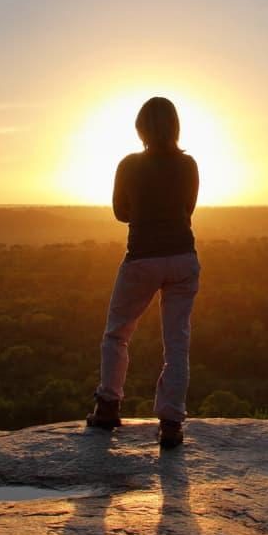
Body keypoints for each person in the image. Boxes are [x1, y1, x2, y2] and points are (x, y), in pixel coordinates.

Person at [86, 97, 201, 449]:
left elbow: (121, 212)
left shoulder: (129, 165)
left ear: (141, 128)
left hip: (142, 258)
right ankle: (170, 424)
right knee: (177, 343)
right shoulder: (188, 164)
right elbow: (189, 208)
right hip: (183, 257)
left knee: (116, 334)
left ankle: (108, 405)